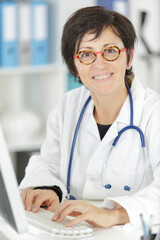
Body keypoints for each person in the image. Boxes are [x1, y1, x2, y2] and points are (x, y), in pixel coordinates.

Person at [19, 6, 160, 228]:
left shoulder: (154, 112)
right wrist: (46, 189)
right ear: (74, 67)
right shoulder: (68, 106)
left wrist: (114, 215)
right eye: (86, 54)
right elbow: (46, 163)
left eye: (110, 50)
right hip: (75, 229)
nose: (99, 63)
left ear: (129, 57)